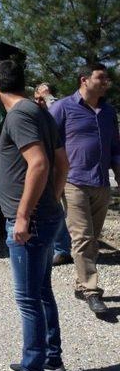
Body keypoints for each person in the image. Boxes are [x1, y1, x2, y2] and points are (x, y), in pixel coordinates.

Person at [0, 60, 69, 371]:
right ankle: (49, 358)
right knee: (41, 291)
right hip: (45, 215)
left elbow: (39, 162)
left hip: (32, 221)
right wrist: (53, 196)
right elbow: (62, 162)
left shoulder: (19, 115)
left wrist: (23, 216)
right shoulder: (41, 114)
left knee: (28, 300)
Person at [49, 63, 119, 315]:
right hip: (74, 181)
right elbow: (48, 143)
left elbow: (115, 150)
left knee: (93, 239)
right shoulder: (63, 108)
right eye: (101, 78)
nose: (106, 82)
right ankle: (91, 290)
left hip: (101, 183)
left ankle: (80, 284)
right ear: (84, 80)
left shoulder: (109, 112)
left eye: (107, 79)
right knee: (83, 237)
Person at [33, 83, 73, 265]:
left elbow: (54, 110)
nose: (40, 95)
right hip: (46, 165)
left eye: (44, 91)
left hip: (61, 165)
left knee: (57, 207)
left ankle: (63, 249)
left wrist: (48, 96)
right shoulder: (34, 110)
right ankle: (60, 247)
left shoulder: (59, 107)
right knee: (52, 207)